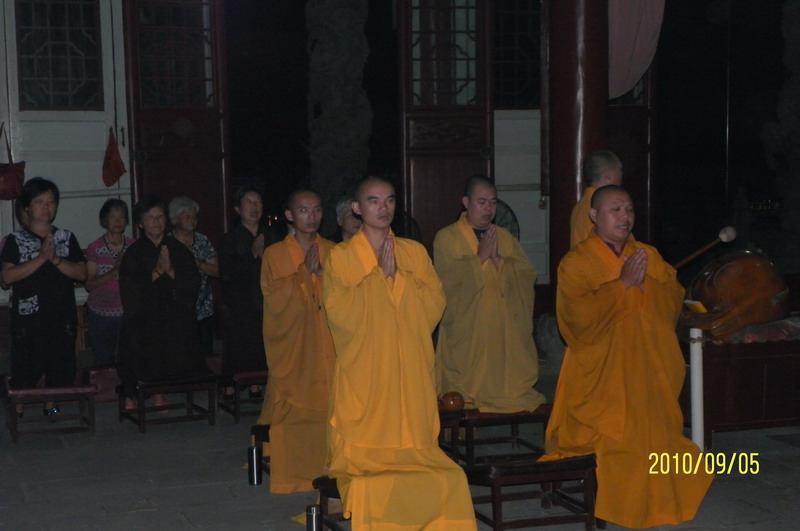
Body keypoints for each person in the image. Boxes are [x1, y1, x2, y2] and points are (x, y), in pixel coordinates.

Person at [542, 185, 713, 528]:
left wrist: (646, 284)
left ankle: (664, 504)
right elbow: (575, 317)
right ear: (594, 216)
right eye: (615, 209)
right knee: (620, 446)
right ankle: (622, 506)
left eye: (629, 209)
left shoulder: (647, 254)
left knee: (661, 440)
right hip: (604, 378)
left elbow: (672, 297)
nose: (625, 217)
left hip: (650, 372)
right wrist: (620, 286)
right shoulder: (576, 262)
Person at [323, 176, 476, 529]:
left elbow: (436, 301)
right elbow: (338, 311)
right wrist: (377, 280)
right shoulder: (342, 257)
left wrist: (398, 281)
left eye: (390, 200)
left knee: (444, 475)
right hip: (368, 373)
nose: (383, 208)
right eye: (374, 201)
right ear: (357, 208)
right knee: (372, 471)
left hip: (408, 369)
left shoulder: (414, 252)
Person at [434, 176, 545, 413]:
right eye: (481, 202)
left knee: (506, 380)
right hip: (468, 329)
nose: (488, 208)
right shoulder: (447, 237)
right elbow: (445, 281)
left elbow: (526, 274)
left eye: (493, 202)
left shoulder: (504, 237)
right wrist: (478, 260)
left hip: (502, 328)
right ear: (466, 202)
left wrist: (500, 261)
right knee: (464, 388)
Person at [255, 189, 336, 493]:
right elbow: (274, 299)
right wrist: (305, 273)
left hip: (329, 344)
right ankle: (297, 475)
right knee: (296, 413)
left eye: (316, 210)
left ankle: (334, 470)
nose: (311, 217)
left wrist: (324, 274)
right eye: (303, 211)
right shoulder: (275, 255)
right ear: (289, 215)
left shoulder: (333, 249)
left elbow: (347, 295)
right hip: (295, 349)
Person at [0, 177, 87, 416]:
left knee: (60, 367)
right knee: (26, 369)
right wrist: (40, 259)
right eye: (39, 201)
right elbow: (6, 278)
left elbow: (82, 273)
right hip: (29, 320)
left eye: (51, 201)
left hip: (62, 315)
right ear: (27, 206)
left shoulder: (66, 238)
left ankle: (52, 408)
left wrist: (56, 259)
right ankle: (17, 412)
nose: (46, 206)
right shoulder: (15, 240)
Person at [117, 195, 206, 409]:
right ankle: (132, 394)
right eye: (150, 217)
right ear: (140, 223)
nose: (156, 221)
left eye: (160, 216)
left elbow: (193, 282)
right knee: (136, 347)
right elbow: (129, 289)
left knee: (174, 346)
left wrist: (172, 272)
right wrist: (157, 272)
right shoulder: (134, 253)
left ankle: (160, 393)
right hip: (143, 317)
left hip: (173, 314)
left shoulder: (178, 249)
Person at [218, 187, 278, 396]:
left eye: (258, 202)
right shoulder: (230, 239)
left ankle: (257, 384)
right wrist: (251, 255)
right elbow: (226, 274)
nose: (254, 207)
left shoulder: (271, 236)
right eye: (249, 202)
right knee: (240, 346)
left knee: (264, 345)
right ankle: (230, 387)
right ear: (237, 208)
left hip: (266, 302)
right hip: (241, 304)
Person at [84, 199, 135, 366]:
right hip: (101, 314)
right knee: (103, 360)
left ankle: (128, 391)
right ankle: (106, 392)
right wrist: (115, 270)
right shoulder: (95, 247)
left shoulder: (134, 246)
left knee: (128, 358)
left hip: (127, 313)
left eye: (122, 217)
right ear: (104, 221)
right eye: (113, 217)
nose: (118, 221)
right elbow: (89, 284)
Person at [168, 196, 219, 357]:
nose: (192, 220)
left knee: (205, 356)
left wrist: (197, 263)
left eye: (194, 216)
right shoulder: (167, 243)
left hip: (203, 310)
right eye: (187, 216)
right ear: (175, 219)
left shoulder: (202, 241)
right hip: (175, 312)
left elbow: (217, 271)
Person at [569, 149, 623, 246]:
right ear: (608, 175)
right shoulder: (599, 206)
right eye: (619, 169)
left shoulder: (583, 204)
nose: (621, 174)